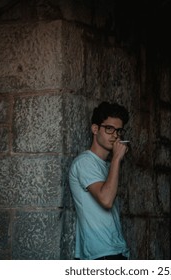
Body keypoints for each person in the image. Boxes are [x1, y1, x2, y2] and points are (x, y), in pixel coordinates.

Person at [69, 101, 130, 260]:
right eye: (109, 129)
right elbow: (106, 200)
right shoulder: (85, 162)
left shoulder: (106, 166)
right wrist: (117, 159)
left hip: (115, 250)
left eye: (119, 130)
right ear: (95, 129)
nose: (115, 135)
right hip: (100, 255)